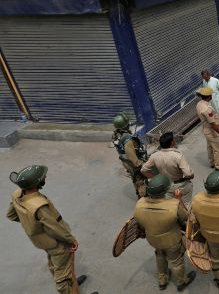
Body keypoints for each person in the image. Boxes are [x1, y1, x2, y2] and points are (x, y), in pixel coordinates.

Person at [6, 165, 97, 294]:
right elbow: (55, 228)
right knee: (62, 276)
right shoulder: (39, 205)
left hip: (43, 241)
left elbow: (11, 215)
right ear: (36, 183)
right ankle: (67, 286)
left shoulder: (17, 194)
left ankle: (72, 283)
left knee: (56, 265)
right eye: (43, 177)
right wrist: (71, 240)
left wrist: (31, 224)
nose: (45, 177)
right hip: (57, 243)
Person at [133, 174, 196, 292]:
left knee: (160, 255)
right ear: (165, 190)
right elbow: (185, 217)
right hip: (171, 240)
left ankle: (162, 280)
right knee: (176, 261)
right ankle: (182, 281)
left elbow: (139, 222)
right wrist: (179, 199)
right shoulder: (173, 205)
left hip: (153, 239)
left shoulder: (140, 204)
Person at [141, 132, 195, 208]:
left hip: (165, 186)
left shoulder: (154, 156)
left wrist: (156, 178)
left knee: (171, 206)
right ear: (172, 142)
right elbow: (189, 174)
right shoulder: (178, 156)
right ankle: (187, 218)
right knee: (186, 206)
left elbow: (143, 170)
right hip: (180, 185)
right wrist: (190, 177)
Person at [111, 112, 148, 198]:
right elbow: (133, 159)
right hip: (132, 163)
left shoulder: (116, 134)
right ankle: (143, 199)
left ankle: (138, 193)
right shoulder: (128, 140)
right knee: (140, 180)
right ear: (125, 125)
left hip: (125, 161)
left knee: (134, 178)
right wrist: (142, 165)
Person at [196, 87, 219, 174]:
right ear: (209, 96)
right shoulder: (207, 109)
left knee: (210, 146)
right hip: (211, 131)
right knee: (217, 149)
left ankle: (212, 163)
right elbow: (213, 125)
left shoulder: (199, 104)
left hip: (206, 130)